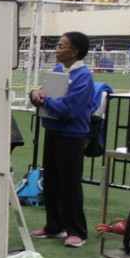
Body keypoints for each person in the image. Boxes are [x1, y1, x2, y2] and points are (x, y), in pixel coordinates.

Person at [29, 31, 96, 247]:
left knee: (70, 184)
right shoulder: (58, 71)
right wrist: (35, 94)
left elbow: (69, 109)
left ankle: (77, 231)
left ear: (74, 52)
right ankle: (54, 226)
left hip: (72, 136)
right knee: (51, 182)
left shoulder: (83, 76)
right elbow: (44, 93)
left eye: (61, 46)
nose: (56, 50)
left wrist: (45, 101)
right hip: (53, 132)